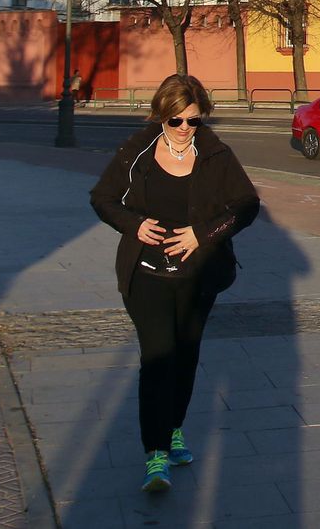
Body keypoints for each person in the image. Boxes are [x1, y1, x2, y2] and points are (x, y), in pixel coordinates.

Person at [90, 74, 261, 492]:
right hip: (145, 276)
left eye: (194, 121)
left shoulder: (215, 153)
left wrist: (202, 233)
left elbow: (247, 205)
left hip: (198, 277)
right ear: (160, 117)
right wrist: (134, 225)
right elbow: (102, 198)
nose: (185, 130)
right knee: (157, 358)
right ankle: (155, 454)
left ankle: (175, 428)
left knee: (185, 355)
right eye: (176, 121)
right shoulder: (137, 150)